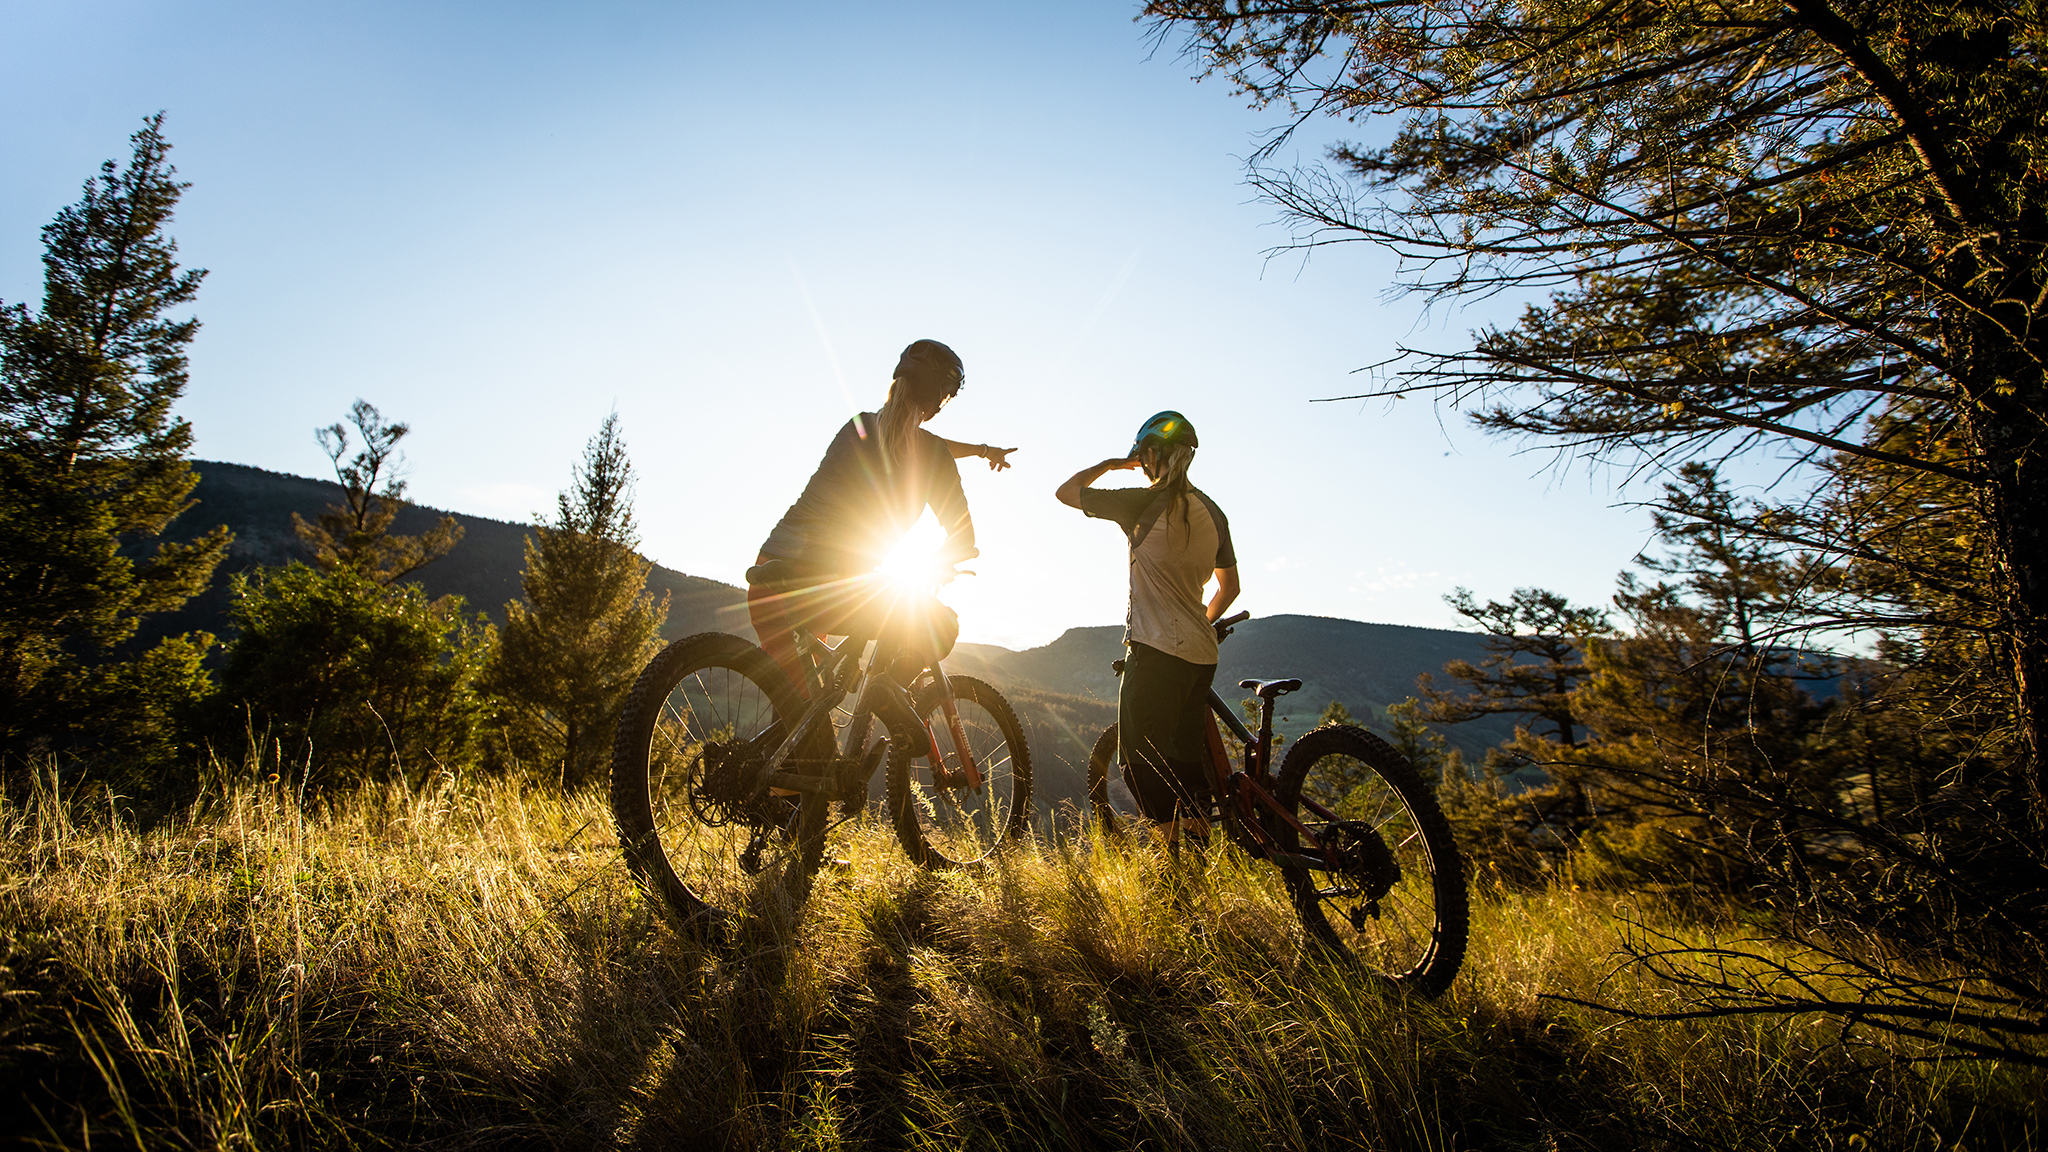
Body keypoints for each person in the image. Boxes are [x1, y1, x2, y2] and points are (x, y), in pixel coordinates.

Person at [746, 339, 1014, 696]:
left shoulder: (857, 427)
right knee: (940, 625)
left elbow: (906, 438)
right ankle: (886, 698)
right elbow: (962, 537)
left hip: (770, 579)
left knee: (805, 725)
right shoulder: (932, 454)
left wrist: (981, 451)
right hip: (830, 586)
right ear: (937, 398)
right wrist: (944, 562)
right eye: (947, 395)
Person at [1056, 411, 1239, 844]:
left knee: (1138, 765)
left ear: (1150, 455)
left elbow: (1066, 492)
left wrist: (1112, 464)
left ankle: (1170, 862)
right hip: (1202, 656)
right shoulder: (1214, 512)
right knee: (1186, 762)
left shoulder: (1140, 504)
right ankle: (1190, 860)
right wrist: (1205, 624)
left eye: (1144, 455)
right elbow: (1229, 588)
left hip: (1156, 650)